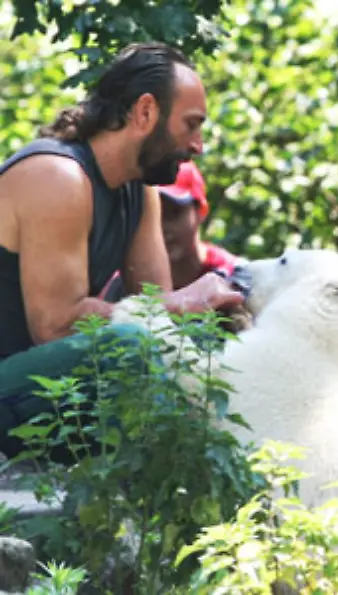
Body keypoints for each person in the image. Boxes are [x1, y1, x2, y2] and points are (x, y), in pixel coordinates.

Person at [0, 42, 244, 461]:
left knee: (198, 344)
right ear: (146, 112)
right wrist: (184, 302)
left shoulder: (140, 192)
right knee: (132, 346)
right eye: (191, 124)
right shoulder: (57, 177)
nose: (198, 144)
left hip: (43, 389)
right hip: (15, 382)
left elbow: (162, 319)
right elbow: (56, 327)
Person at [100, 160, 241, 298]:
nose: (160, 228)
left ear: (201, 211)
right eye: (150, 216)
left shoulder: (238, 279)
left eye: (173, 214)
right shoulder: (119, 286)